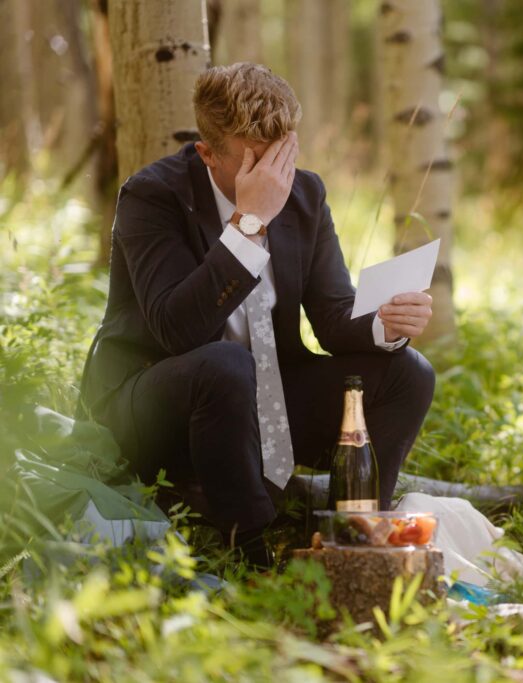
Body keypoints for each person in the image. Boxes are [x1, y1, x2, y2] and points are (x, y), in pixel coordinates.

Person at [77, 63, 435, 565]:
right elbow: (177, 329)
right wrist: (247, 225)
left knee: (408, 373)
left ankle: (350, 543)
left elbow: (332, 316)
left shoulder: (305, 193)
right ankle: (250, 551)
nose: (276, 179)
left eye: (283, 158)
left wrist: (386, 323)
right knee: (226, 364)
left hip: (259, 403)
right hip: (154, 407)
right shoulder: (153, 196)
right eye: (257, 165)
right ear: (207, 155)